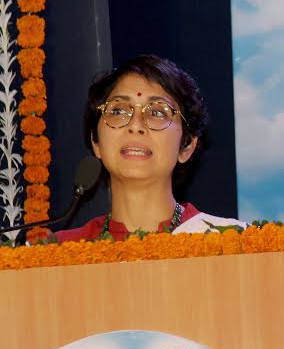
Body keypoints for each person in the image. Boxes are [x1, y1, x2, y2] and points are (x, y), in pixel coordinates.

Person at [56, 54, 243, 242]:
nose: (136, 125)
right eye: (118, 111)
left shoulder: (233, 244)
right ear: (96, 142)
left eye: (157, 112)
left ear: (186, 146)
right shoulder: (55, 254)